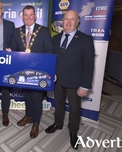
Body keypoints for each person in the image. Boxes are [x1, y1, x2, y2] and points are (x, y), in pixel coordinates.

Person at [45, 10, 95, 149]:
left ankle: (73, 132)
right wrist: (51, 73)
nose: (68, 22)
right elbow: (53, 59)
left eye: (72, 19)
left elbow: (89, 64)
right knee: (58, 103)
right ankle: (58, 123)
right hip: (58, 80)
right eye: (66, 19)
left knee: (74, 109)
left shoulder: (86, 39)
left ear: (77, 22)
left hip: (75, 82)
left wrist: (84, 86)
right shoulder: (55, 38)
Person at [9, 5, 52, 139]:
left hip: (38, 72)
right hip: (23, 71)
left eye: (31, 15)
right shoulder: (17, 31)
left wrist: (42, 66)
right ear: (22, 17)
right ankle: (28, 116)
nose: (28, 18)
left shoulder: (44, 31)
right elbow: (15, 49)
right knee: (26, 95)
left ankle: (36, 123)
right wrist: (11, 52)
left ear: (35, 16)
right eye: (25, 15)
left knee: (36, 98)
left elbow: (49, 51)